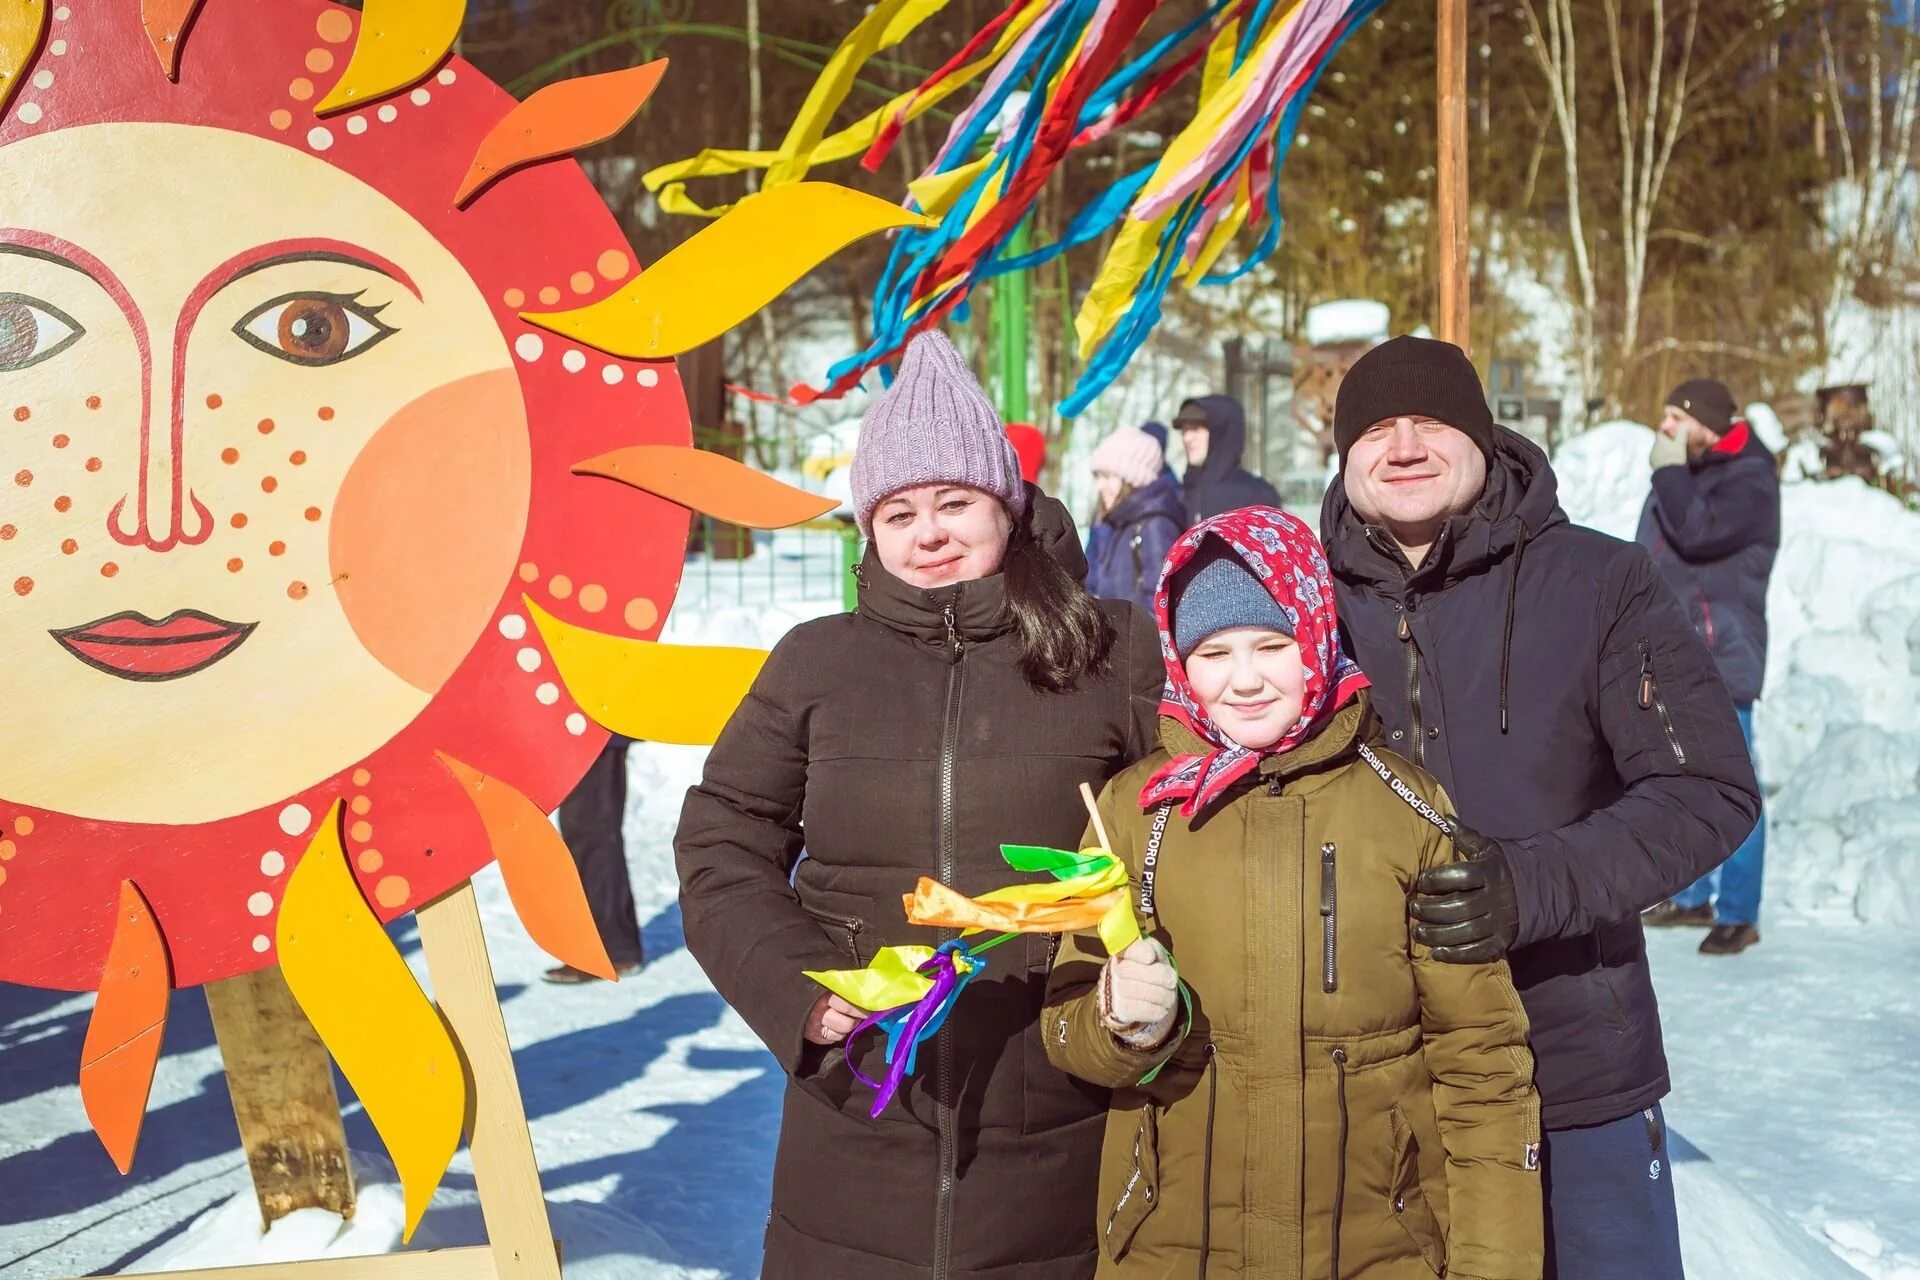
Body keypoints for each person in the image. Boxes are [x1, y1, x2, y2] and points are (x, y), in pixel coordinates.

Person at [675, 329, 1162, 1279]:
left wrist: (1138, 978)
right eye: (897, 512)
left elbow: (1183, 832)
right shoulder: (817, 662)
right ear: (869, 530)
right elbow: (721, 841)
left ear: (1008, 510)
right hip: (856, 1121)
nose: (928, 532)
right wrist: (806, 988)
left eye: (954, 502)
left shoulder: (1110, 652)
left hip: (1059, 1115)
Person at [1319, 335, 1762, 1280]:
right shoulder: (1299, 604)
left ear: (1483, 439)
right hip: (1368, 1076)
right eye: (1376, 430)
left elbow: (1707, 790)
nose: (1403, 447)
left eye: (1430, 423)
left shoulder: (1602, 584)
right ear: (1344, 455)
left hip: (1572, 1065)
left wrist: (1532, 884)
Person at [1046, 509, 1544, 1280]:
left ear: (1315, 640)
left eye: (1272, 646)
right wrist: (1121, 1026)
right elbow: (1065, 1029)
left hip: (1382, 1252)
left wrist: (1494, 1267)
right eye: (1213, 652)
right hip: (1174, 1252)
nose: (1244, 680)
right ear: (1181, 662)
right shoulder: (1129, 812)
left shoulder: (1405, 805)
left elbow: (1481, 1065)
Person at [1636, 380, 1781, 956]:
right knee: (1683, 779)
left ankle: (1740, 913)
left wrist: (1667, 473)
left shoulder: (1750, 478)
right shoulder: (1690, 473)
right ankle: (1694, 895)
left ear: (1709, 423)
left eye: (1677, 417)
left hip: (1725, 655)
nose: (1665, 428)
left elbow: (1699, 534)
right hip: (1676, 651)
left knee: (1734, 781)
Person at [544, 737, 645, 983]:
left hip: (594, 728)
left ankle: (614, 951)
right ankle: (611, 948)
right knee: (587, 834)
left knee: (593, 835)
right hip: (580, 729)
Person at [1083, 424, 1183, 615]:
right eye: (1097, 477)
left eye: (1107, 477)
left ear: (1132, 478)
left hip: (1138, 640)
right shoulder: (1111, 520)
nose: (1100, 485)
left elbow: (1160, 603)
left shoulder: (1155, 523)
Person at [1173, 395, 1280, 525]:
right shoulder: (1185, 493)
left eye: (1196, 429)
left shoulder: (1257, 496)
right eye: (1184, 431)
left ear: (1220, 433)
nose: (1187, 438)